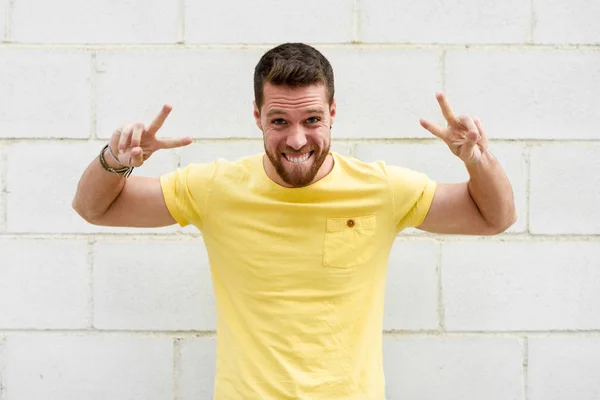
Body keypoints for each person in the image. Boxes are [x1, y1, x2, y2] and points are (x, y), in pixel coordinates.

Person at [73, 42, 516, 399]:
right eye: (279, 120)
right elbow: (95, 208)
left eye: (312, 119)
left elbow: (493, 217)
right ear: (256, 117)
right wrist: (116, 160)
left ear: (333, 113)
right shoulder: (214, 187)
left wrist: (478, 159)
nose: (297, 138)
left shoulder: (381, 189)